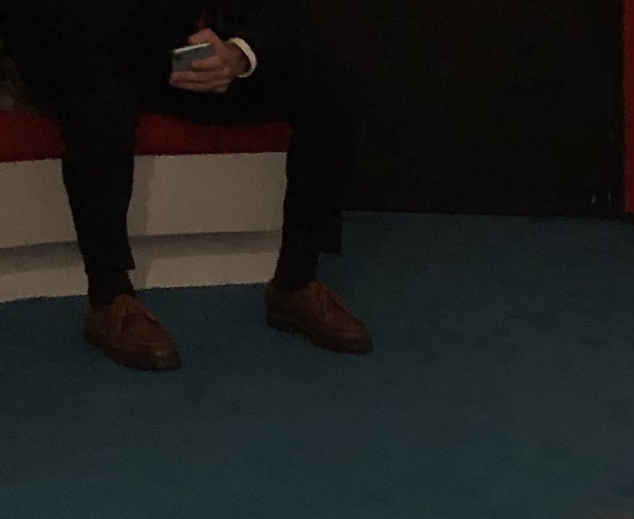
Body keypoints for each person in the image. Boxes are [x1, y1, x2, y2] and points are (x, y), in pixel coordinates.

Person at [0, 0, 368, 369]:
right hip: (72, 46)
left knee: (329, 84)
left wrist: (237, 53)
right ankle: (109, 295)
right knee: (104, 104)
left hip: (165, 51)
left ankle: (296, 281)